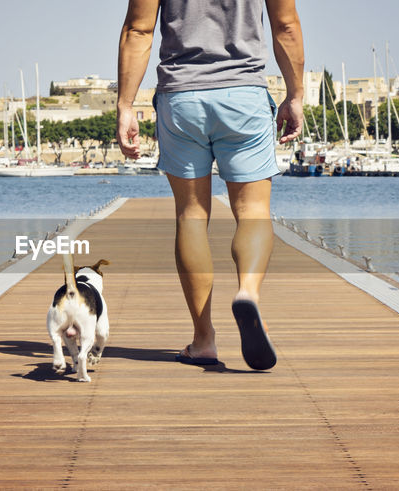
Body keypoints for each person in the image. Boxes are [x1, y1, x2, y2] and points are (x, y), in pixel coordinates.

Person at [116, 0, 305, 370]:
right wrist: (295, 95)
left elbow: (138, 30)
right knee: (253, 210)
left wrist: (125, 104)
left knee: (191, 215)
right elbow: (286, 26)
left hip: (181, 97)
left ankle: (203, 340)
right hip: (244, 96)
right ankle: (247, 292)